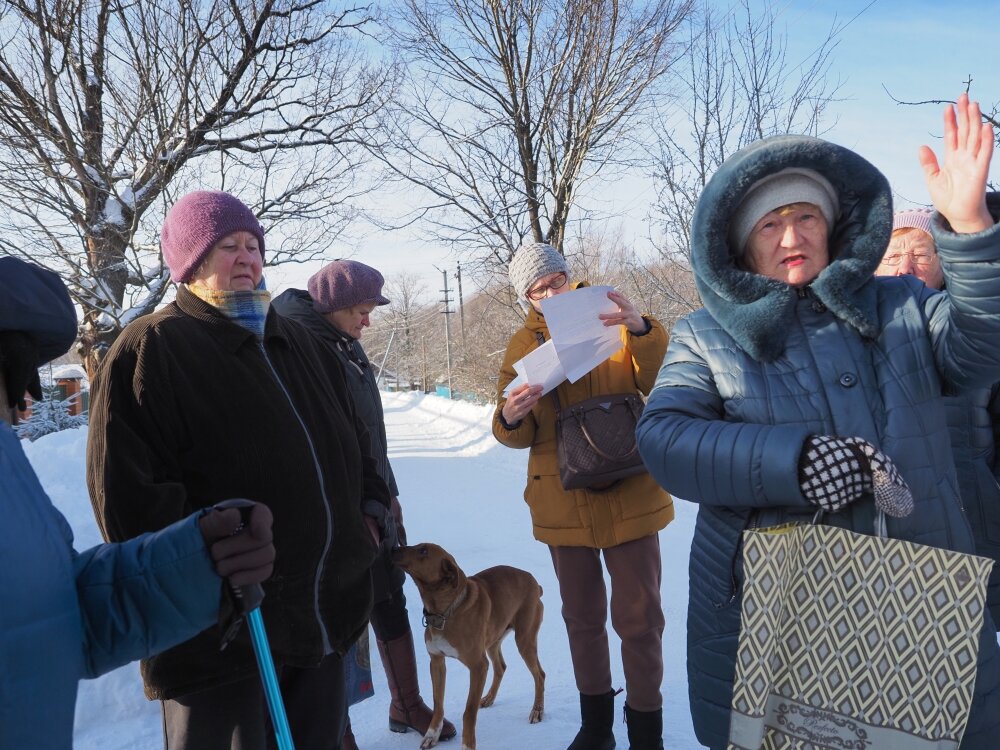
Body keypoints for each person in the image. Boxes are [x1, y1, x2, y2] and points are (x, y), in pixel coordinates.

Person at [635, 94, 1000, 749]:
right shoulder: (704, 337)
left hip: (924, 598)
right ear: (741, 244)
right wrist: (792, 461)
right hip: (780, 612)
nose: (792, 237)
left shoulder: (905, 307)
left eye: (805, 217)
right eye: (769, 224)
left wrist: (969, 228)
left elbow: (982, 348)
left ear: (832, 225)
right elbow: (665, 440)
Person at [86, 191, 395, 750]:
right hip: (222, 637)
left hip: (323, 620)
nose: (248, 257)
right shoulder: (152, 349)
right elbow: (126, 498)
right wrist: (202, 569)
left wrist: (368, 517)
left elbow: (357, 446)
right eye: (228, 246)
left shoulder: (302, 343)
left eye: (253, 244)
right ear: (190, 263)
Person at [0, 256, 275, 749]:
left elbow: (52, 614)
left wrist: (197, 564)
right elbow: (126, 492)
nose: (19, 409)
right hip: (206, 661)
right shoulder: (150, 344)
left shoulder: (8, 466)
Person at [492, 242, 674, 750]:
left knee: (641, 621)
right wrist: (513, 413)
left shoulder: (614, 316)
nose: (549, 292)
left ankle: (646, 732)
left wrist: (641, 330)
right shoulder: (520, 344)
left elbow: (662, 383)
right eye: (537, 289)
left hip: (631, 488)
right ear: (526, 297)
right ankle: (596, 728)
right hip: (562, 498)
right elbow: (511, 431)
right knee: (581, 620)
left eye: (555, 281)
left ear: (569, 277)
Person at [272, 260, 456, 748]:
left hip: (373, 495)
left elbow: (369, 430)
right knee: (340, 612)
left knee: (389, 592)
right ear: (333, 305)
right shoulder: (298, 345)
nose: (368, 321)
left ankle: (407, 704)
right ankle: (339, 728)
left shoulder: (346, 345)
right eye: (362, 310)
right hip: (333, 509)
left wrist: (387, 492)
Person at [876, 207, 1000, 629]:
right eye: (892, 256)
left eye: (922, 255)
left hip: (978, 529)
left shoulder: (978, 336)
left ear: (945, 265)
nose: (905, 268)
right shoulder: (845, 338)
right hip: (881, 540)